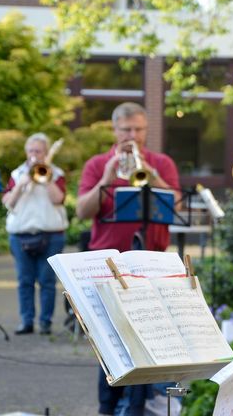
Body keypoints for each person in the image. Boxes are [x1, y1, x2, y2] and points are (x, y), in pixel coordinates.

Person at [75, 102, 181, 416]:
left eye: (138, 130)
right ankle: (107, 407)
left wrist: (153, 176)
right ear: (115, 130)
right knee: (110, 342)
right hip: (107, 267)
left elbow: (175, 204)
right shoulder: (97, 164)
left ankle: (141, 406)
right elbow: (82, 211)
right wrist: (107, 178)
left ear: (146, 130)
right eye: (126, 130)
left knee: (146, 343)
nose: (132, 136)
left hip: (150, 264)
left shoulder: (161, 163)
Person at [2, 133, 68, 335]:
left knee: (47, 281)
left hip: (51, 235)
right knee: (24, 281)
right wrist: (22, 184)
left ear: (46, 153)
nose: (34, 155)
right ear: (26, 152)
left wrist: (45, 178)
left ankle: (45, 322)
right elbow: (7, 203)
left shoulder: (55, 173)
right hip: (20, 235)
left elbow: (59, 199)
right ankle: (26, 321)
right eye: (31, 151)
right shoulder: (17, 174)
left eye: (38, 151)